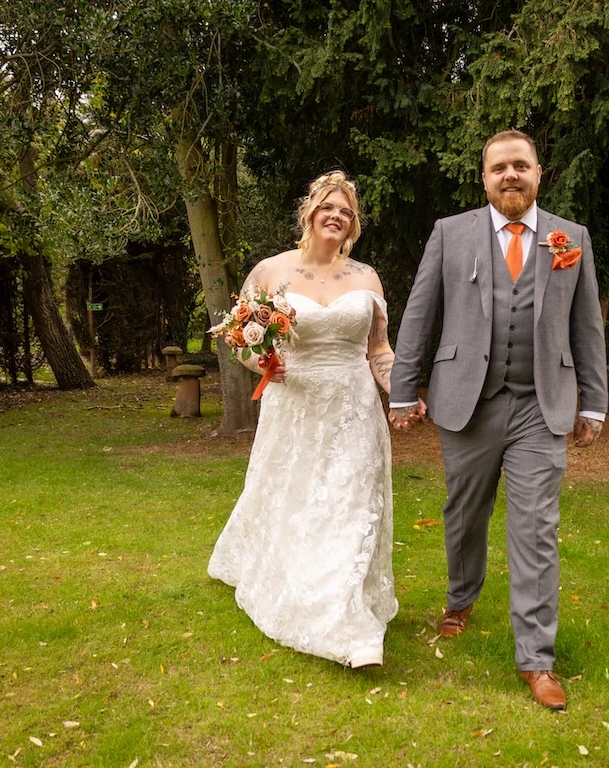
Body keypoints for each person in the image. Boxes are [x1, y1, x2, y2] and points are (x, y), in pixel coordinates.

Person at [389, 130, 608, 710]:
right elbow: (419, 313)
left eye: (520, 166)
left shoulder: (572, 238)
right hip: (469, 400)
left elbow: (587, 325)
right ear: (483, 178)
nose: (509, 176)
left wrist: (593, 402)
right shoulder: (450, 233)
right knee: (465, 511)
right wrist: (402, 389)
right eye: (498, 169)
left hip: (542, 405)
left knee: (536, 526)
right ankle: (461, 597)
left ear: (540, 173)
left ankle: (536, 659)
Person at [208, 171, 398, 668]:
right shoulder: (271, 272)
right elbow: (240, 339)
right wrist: (263, 363)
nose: (337, 216)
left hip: (354, 407)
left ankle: (349, 618)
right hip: (294, 407)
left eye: (347, 211)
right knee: (295, 501)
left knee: (352, 503)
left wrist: (401, 395)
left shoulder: (367, 277)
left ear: (353, 224)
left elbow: (378, 349)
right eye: (328, 207)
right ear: (310, 212)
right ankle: (299, 588)